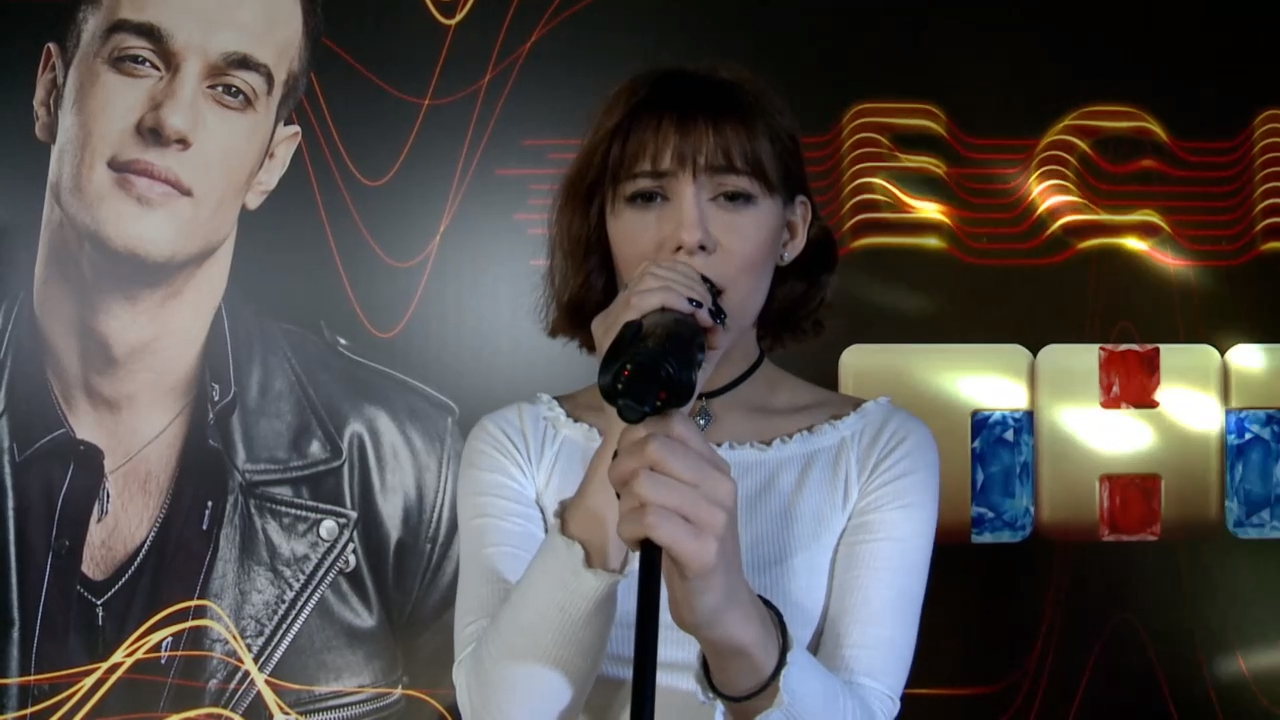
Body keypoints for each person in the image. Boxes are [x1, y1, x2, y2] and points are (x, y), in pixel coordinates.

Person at [0, 1, 459, 717]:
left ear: (270, 164)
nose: (171, 120)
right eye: (137, 59)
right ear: (51, 92)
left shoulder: (406, 470)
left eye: (231, 91)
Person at [453, 64, 941, 719]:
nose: (690, 235)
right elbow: (502, 711)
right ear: (604, 225)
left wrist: (726, 611)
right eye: (648, 196)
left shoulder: (879, 449)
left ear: (791, 232)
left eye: (732, 196)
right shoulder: (517, 443)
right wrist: (632, 413)